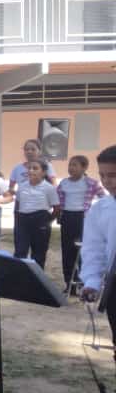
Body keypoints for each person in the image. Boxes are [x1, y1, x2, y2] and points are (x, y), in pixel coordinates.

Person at [80, 145, 116, 348]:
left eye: (113, 175)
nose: (107, 181)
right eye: (102, 175)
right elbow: (94, 249)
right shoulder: (100, 209)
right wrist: (92, 281)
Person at [58, 155, 106, 293]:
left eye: (75, 165)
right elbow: (59, 202)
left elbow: (103, 197)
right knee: (67, 251)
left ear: (84, 167)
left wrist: (95, 213)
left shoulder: (91, 183)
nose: (71, 168)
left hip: (83, 218)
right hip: (67, 217)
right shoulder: (64, 183)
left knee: (82, 251)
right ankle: (69, 284)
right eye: (70, 165)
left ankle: (83, 282)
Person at [13, 160, 60, 268]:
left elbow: (57, 208)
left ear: (43, 172)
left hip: (40, 220)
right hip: (23, 220)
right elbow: (18, 203)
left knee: (39, 254)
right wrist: (17, 218)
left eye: (35, 168)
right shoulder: (22, 186)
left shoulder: (49, 188)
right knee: (20, 252)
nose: (31, 170)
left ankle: (36, 282)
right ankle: (18, 279)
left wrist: (47, 221)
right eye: (29, 168)